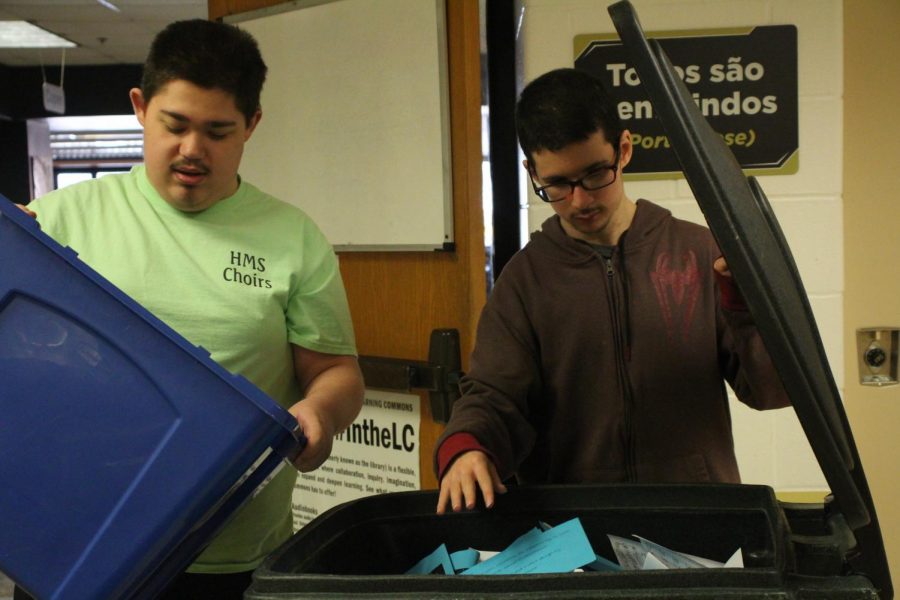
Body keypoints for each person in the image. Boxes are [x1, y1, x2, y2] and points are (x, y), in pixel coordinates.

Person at [15, 19, 364, 599]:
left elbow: (335, 371)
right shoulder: (56, 220)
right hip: (79, 536)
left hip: (228, 551)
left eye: (218, 131)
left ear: (252, 124)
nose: (192, 150)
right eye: (173, 125)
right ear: (140, 107)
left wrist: (320, 416)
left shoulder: (292, 237)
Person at [434, 68, 790, 515]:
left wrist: (745, 307)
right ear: (532, 171)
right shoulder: (524, 282)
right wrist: (468, 447)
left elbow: (771, 391)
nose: (580, 201)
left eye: (594, 173)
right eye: (558, 184)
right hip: (578, 532)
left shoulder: (700, 253)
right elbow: (493, 396)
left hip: (698, 518)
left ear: (623, 149)